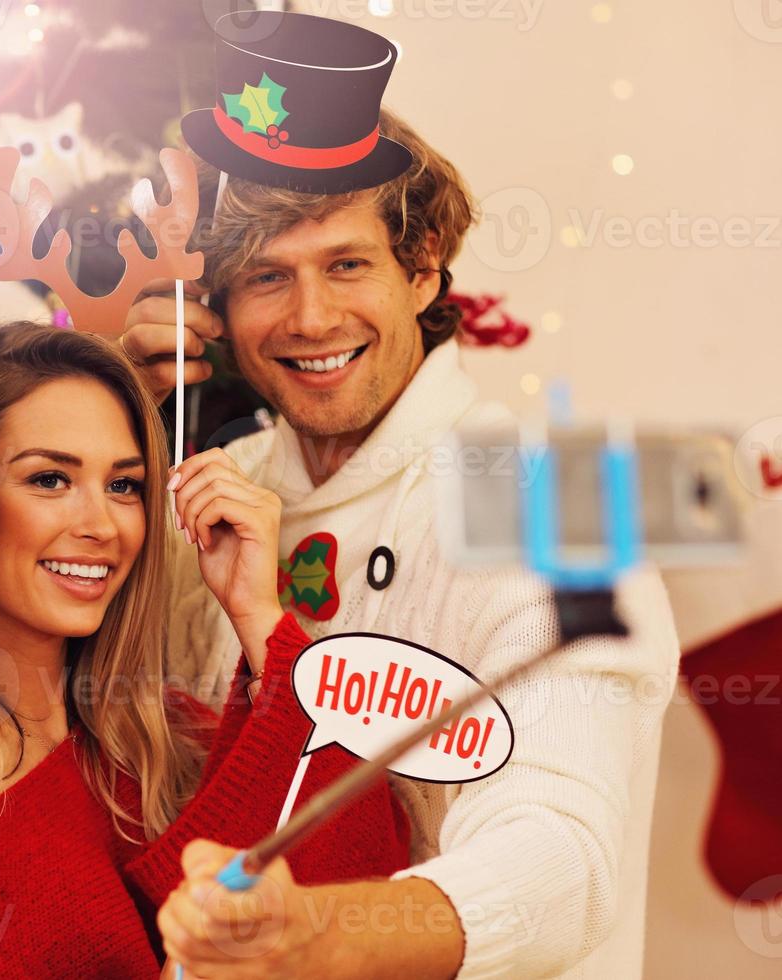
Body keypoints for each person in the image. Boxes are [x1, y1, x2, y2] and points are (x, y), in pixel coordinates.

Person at [126, 107, 680, 977]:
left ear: (422, 271)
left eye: (346, 265)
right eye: (267, 277)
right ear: (216, 312)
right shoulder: (198, 493)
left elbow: (563, 856)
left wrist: (316, 933)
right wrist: (101, 400)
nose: (310, 318)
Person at [0, 323, 409, 978]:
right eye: (48, 480)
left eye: (124, 486)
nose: (102, 526)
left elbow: (361, 875)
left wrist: (257, 614)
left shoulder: (153, 734)